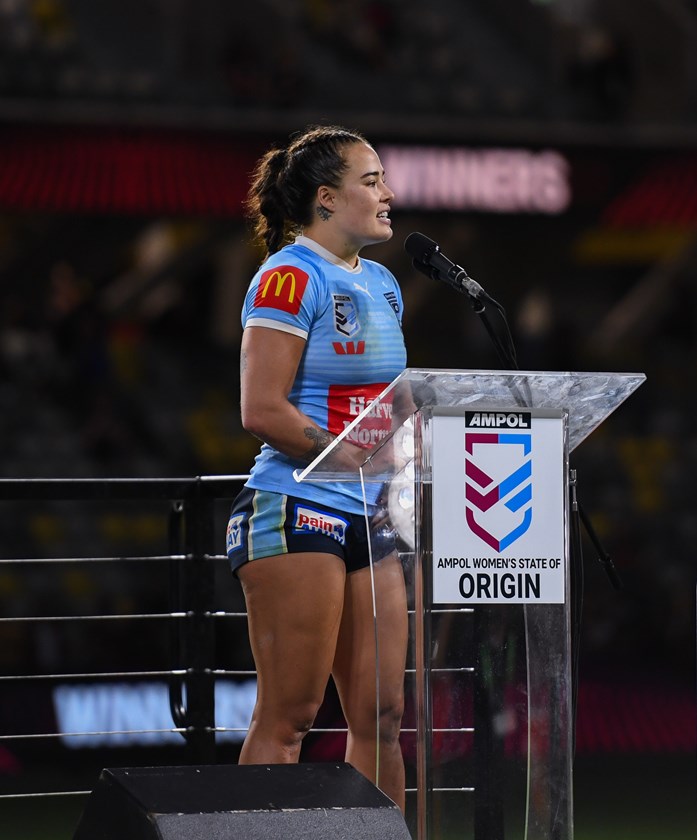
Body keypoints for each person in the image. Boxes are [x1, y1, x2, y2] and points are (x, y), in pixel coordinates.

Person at [226, 124, 409, 810]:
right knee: (289, 720)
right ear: (326, 200)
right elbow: (262, 410)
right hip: (296, 507)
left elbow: (394, 405)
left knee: (382, 718)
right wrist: (351, 455)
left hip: (372, 510)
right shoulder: (287, 276)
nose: (388, 194)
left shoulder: (386, 284)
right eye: (371, 182)